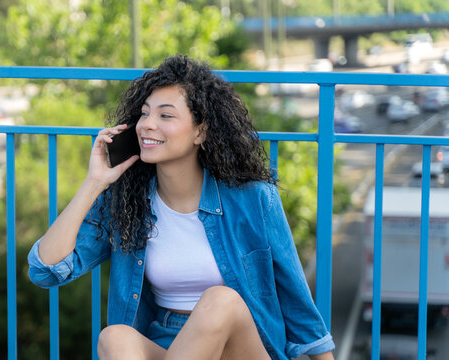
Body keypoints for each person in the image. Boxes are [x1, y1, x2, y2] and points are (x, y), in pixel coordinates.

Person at [28, 55, 335, 360]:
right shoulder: (128, 204)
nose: (147, 125)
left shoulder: (253, 199)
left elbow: (299, 306)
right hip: (167, 342)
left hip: (240, 346)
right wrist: (94, 182)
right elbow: (46, 271)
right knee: (115, 337)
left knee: (220, 302)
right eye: (145, 114)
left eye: (166, 116)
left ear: (200, 132)